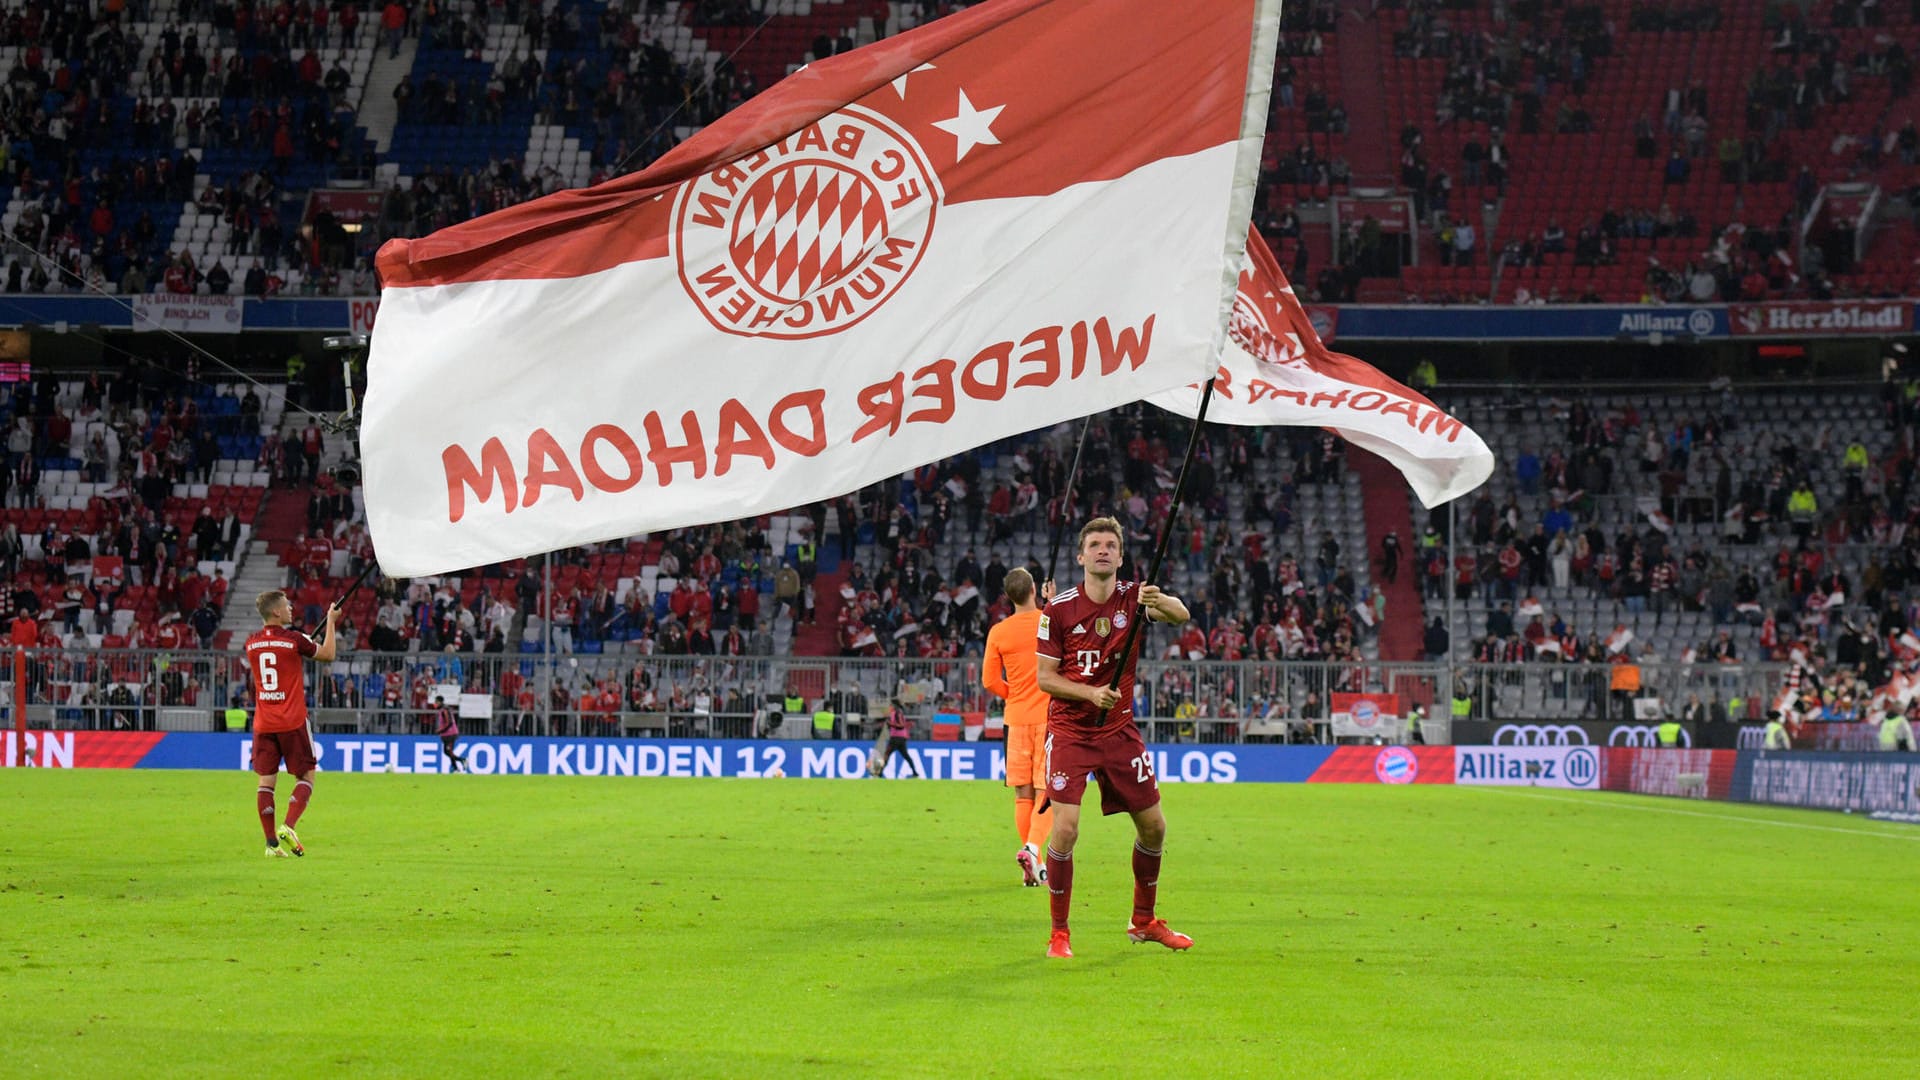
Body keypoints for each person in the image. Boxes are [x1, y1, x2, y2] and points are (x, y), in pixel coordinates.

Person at [1034, 517, 1193, 959]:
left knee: (1155, 826)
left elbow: (1181, 616)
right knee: (1065, 830)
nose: (1103, 550)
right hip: (1070, 731)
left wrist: (1159, 599)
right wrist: (1089, 693)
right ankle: (1059, 933)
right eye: (1094, 545)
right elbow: (1045, 679)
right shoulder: (1058, 610)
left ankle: (1143, 921)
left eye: (1110, 545)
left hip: (1119, 730)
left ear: (1121, 557)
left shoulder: (1134, 598)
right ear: (1080, 557)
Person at [246, 589, 338, 857]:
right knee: (307, 775)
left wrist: (301, 643)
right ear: (275, 611)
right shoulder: (295, 640)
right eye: (286, 606)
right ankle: (288, 825)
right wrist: (331, 621)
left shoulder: (251, 643)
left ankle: (271, 844)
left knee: (266, 782)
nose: (291, 609)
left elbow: (278, 650)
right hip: (292, 720)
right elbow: (328, 654)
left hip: (264, 723)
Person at [982, 567, 1056, 887]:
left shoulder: (998, 632)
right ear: (1033, 590)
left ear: (1009, 597)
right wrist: (1051, 604)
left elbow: (988, 681)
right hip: (1049, 717)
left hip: (1015, 718)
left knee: (1022, 793)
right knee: (1047, 792)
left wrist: (1013, 694)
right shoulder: (1048, 621)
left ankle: (1034, 863)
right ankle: (1033, 850)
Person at [878, 699, 920, 777]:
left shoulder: (897, 713)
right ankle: (915, 772)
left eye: (891, 704)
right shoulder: (898, 713)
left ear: (894, 705)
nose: (890, 706)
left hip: (896, 737)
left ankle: (879, 772)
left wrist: (890, 724)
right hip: (902, 737)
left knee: (887, 754)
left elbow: (900, 726)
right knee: (906, 756)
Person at [430, 694, 467, 772]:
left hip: (450, 734)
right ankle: (455, 768)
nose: (435, 704)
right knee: (448, 752)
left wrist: (440, 730)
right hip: (447, 734)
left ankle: (462, 760)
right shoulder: (444, 709)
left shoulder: (444, 710)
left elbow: (449, 723)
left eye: (436, 702)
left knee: (448, 752)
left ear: (440, 702)